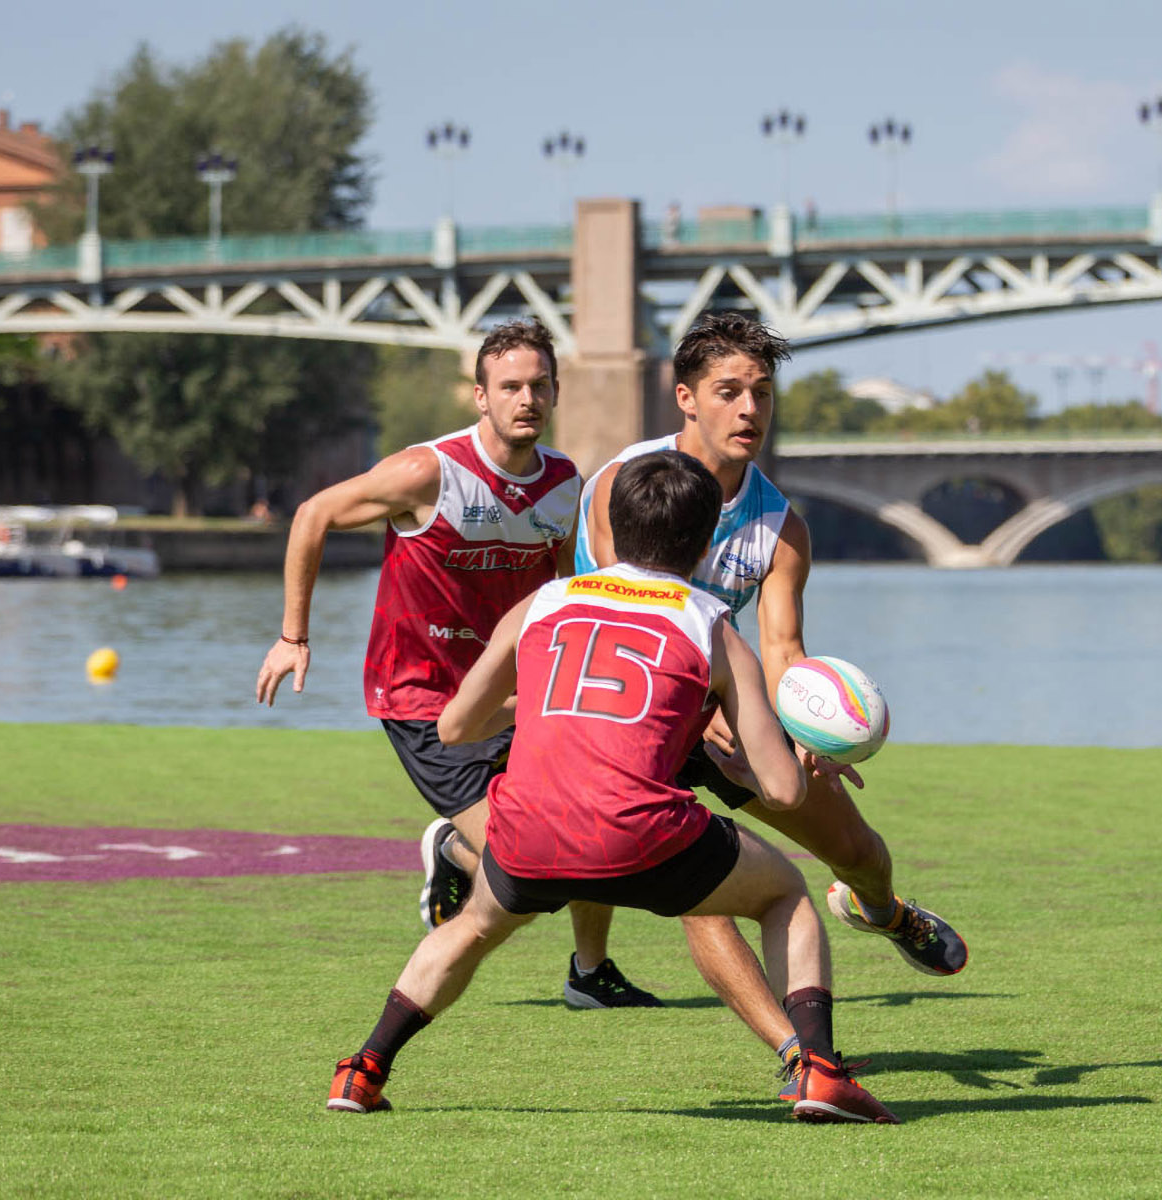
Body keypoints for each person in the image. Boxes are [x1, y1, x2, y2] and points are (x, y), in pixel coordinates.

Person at [326, 450, 898, 1124]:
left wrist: (533, 702)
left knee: (475, 925)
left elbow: (453, 728)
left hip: (528, 831)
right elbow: (781, 792)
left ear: (615, 526)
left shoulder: (542, 603)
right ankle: (823, 1072)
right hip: (643, 837)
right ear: (707, 536)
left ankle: (362, 1069)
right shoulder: (710, 624)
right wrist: (801, 751)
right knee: (786, 895)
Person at [569, 312, 968, 1054]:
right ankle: (802, 1053)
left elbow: (782, 647)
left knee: (855, 845)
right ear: (685, 398)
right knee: (704, 885)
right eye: (728, 392)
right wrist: (709, 704)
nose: (749, 409)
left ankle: (883, 911)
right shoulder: (628, 486)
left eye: (761, 392)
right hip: (628, 717)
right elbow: (622, 618)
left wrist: (809, 727)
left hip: (723, 709)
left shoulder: (780, 526)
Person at [255, 318, 661, 1009]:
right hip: (424, 701)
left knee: (591, 822)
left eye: (538, 386)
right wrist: (294, 635)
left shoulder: (565, 485)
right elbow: (312, 514)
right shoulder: (429, 472)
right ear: (480, 396)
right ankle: (452, 848)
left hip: (516, 694)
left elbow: (559, 587)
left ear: (556, 392)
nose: (525, 399)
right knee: (537, 870)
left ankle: (591, 975)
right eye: (509, 387)